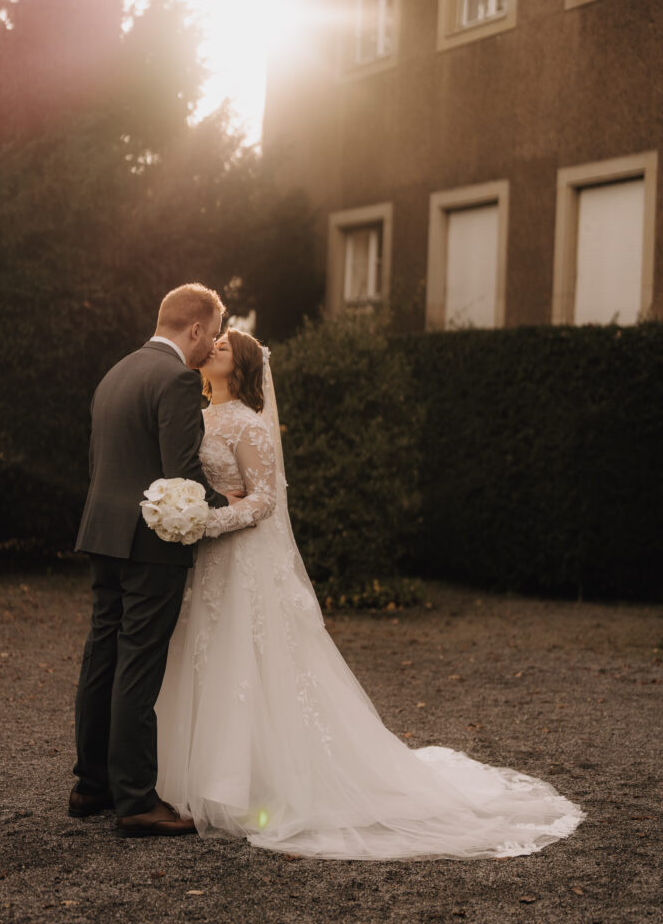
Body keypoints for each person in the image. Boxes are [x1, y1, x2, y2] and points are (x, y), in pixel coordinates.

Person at [154, 329, 585, 860]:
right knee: (207, 657)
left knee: (249, 662)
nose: (215, 346)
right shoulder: (199, 417)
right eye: (213, 342)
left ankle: (256, 787)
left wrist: (207, 521)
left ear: (241, 367)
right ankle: (201, 780)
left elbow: (264, 502)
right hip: (210, 567)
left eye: (225, 346)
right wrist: (187, 511)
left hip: (241, 562)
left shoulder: (248, 424)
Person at [70, 283, 244, 838]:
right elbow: (182, 477)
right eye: (212, 333)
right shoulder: (174, 379)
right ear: (195, 329)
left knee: (102, 656)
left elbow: (104, 461)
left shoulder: (115, 373)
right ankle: (137, 801)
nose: (211, 345)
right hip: (151, 545)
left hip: (103, 533)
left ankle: (91, 785)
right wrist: (228, 506)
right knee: (138, 664)